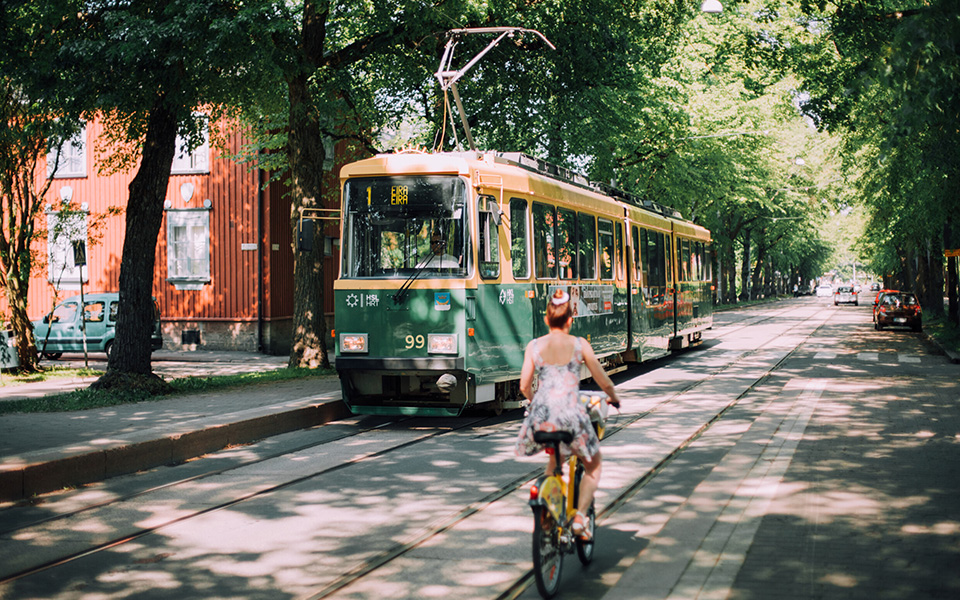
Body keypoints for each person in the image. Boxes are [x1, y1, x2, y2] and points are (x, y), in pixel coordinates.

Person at [515, 288, 621, 540]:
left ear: (546, 319)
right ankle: (580, 518)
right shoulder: (579, 344)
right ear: (570, 320)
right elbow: (603, 381)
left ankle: (549, 513)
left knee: (554, 462)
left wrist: (536, 403)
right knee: (593, 465)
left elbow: (523, 386)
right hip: (571, 416)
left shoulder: (534, 346)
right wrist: (614, 398)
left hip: (541, 418)